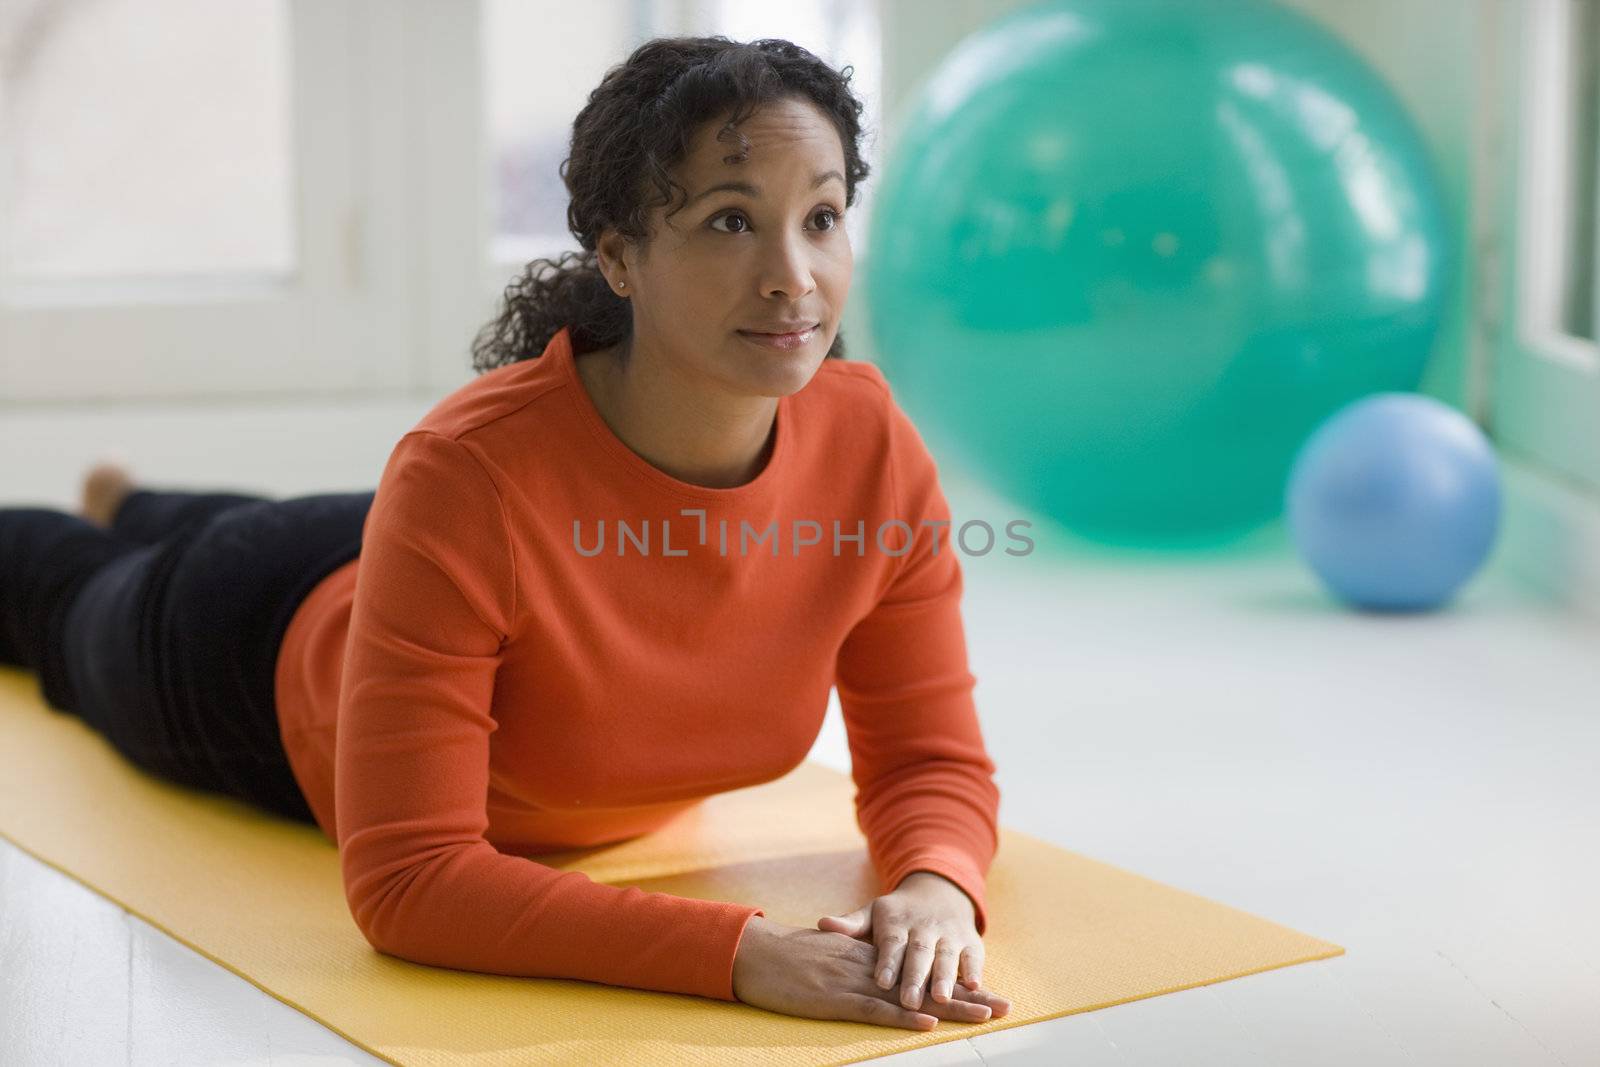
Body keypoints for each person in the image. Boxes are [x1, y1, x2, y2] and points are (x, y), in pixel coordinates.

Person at [0, 35, 1011, 1031]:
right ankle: (120, 524)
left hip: (409, 549)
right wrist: (742, 953)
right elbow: (410, 878)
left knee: (294, 519)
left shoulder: (869, 441)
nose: (793, 276)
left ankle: (139, 496)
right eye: (729, 222)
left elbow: (930, 759)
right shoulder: (467, 474)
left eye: (822, 216)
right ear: (618, 255)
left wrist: (935, 884)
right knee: (62, 592)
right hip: (248, 645)